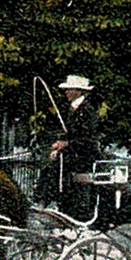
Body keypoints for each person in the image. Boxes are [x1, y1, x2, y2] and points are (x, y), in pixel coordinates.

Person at [46, 74, 102, 218]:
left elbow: (87, 139)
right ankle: (54, 200)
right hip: (73, 152)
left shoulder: (88, 111)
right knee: (50, 163)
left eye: (69, 89)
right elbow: (69, 135)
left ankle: (48, 199)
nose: (66, 92)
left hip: (84, 155)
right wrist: (58, 144)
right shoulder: (71, 109)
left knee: (54, 166)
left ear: (79, 91)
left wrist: (64, 145)